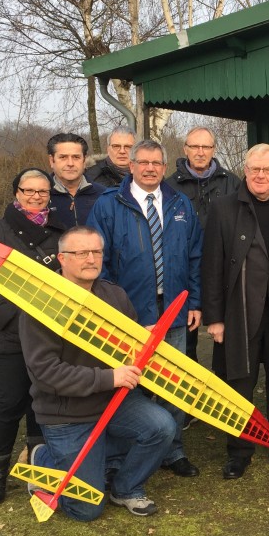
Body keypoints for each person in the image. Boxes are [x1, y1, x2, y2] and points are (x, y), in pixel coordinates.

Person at [20, 226, 178, 520]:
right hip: (67, 412)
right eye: (81, 253)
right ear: (62, 258)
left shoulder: (114, 295)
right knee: (86, 509)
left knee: (162, 426)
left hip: (113, 400)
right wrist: (110, 378)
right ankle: (42, 457)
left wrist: (144, 340)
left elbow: (127, 348)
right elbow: (45, 372)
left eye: (96, 252)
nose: (91, 259)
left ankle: (126, 487)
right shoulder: (42, 303)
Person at [87, 139, 203, 479]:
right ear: (132, 166)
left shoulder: (180, 204)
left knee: (174, 382)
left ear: (164, 167)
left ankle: (173, 450)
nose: (150, 168)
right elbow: (97, 262)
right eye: (143, 162)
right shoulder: (109, 205)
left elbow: (195, 256)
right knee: (129, 385)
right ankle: (121, 454)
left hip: (173, 313)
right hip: (128, 314)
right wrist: (110, 309)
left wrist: (194, 301)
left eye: (156, 163)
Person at [202, 144, 269, 479]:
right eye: (253, 169)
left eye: (267, 169)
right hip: (238, 313)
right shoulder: (222, 209)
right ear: (244, 171)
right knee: (238, 382)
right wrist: (215, 318)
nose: (260, 175)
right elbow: (211, 267)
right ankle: (239, 450)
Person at [0, 168, 66, 504]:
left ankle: (40, 472)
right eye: (30, 190)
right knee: (11, 402)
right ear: (17, 193)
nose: (37, 196)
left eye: (43, 192)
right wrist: (19, 315)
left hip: (51, 336)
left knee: (44, 403)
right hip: (8, 335)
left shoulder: (60, 232)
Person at [166, 126, 241, 365]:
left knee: (226, 337)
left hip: (224, 271)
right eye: (195, 146)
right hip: (184, 273)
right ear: (185, 149)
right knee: (185, 341)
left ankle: (224, 386)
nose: (200, 152)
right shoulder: (169, 187)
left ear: (214, 150)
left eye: (206, 147)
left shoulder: (232, 183)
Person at [48, 132, 105, 226]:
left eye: (76, 157)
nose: (70, 163)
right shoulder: (39, 197)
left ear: (84, 160)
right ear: (51, 161)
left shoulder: (103, 195)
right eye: (63, 157)